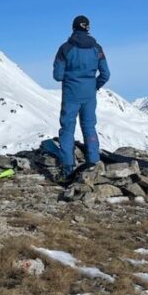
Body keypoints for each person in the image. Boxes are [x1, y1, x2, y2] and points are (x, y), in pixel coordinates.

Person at [53, 15, 110, 179]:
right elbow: (106, 74)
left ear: (73, 28)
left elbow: (57, 75)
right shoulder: (97, 48)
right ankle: (93, 163)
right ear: (88, 28)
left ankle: (68, 167)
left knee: (67, 129)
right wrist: (94, 86)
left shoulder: (65, 48)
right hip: (89, 94)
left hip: (71, 93)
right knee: (89, 127)